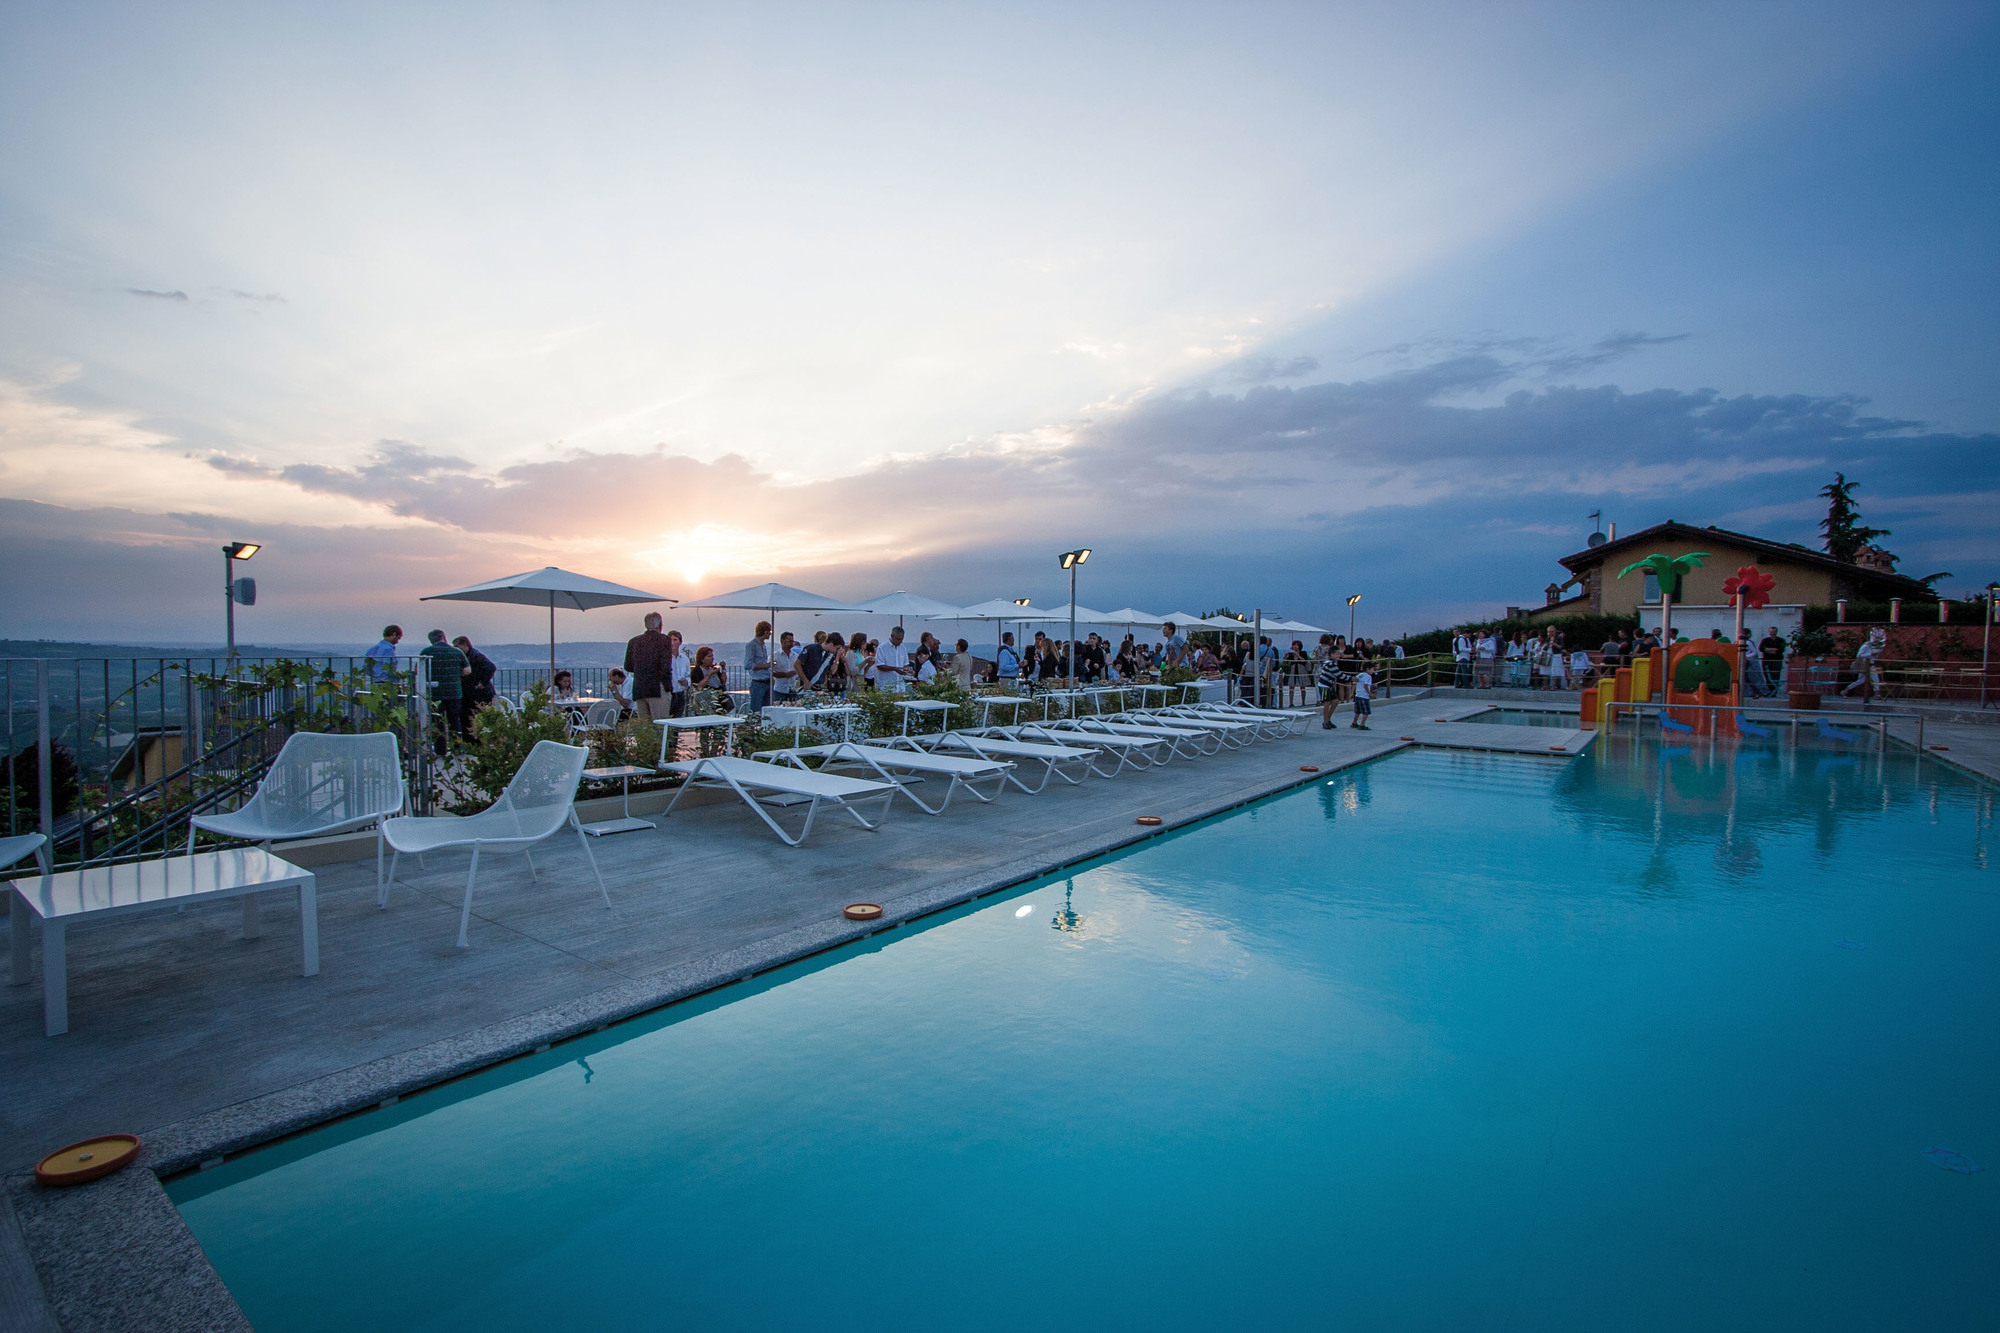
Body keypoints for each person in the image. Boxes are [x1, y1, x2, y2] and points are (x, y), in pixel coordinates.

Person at [419, 629, 468, 757]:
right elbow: (467, 670)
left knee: (437, 722)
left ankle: (441, 750)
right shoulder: (457, 652)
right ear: (444, 637)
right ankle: (457, 748)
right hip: (454, 692)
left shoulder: (426, 652)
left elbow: (418, 671)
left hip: (435, 693)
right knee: (454, 721)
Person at [624, 612, 675, 725]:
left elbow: (628, 666)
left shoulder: (634, 641)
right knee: (660, 725)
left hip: (640, 688)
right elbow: (665, 666)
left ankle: (646, 744)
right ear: (660, 625)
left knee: (645, 727)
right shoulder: (664, 640)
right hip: (657, 687)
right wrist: (667, 686)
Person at [452, 635, 497, 712]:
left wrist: (483, 683)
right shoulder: (470, 655)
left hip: (480, 693)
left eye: (457, 646)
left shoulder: (475, 656)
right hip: (474, 692)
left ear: (464, 645)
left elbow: (491, 667)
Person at [1843, 627, 1886, 698]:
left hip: (1871, 665)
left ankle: (1877, 694)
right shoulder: (1866, 646)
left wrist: (1875, 655)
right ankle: (1846, 690)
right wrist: (1870, 654)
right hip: (1864, 665)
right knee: (1861, 680)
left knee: (1875, 679)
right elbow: (1859, 655)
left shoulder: (1876, 647)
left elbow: (1874, 657)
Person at [745, 621, 774, 711]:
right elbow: (747, 664)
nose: (770, 634)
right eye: (770, 631)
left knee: (767, 711)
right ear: (765, 632)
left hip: (767, 682)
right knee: (756, 711)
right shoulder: (751, 645)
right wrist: (766, 665)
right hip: (758, 683)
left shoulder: (763, 645)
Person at [874, 625, 913, 692]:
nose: (900, 641)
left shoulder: (903, 648)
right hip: (886, 686)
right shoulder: (882, 647)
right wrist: (895, 669)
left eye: (902, 639)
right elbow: (879, 665)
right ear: (892, 636)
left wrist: (906, 670)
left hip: (900, 686)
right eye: (898, 639)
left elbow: (905, 664)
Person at [770, 631, 802, 704]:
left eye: (792, 641)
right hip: (780, 690)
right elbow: (770, 672)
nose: (792, 643)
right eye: (790, 641)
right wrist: (785, 675)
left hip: (793, 690)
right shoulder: (775, 656)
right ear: (783, 641)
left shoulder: (795, 656)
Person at [1759, 626, 1788, 696]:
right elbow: (1761, 648)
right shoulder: (1765, 640)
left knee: (1776, 676)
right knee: (1767, 677)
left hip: (1777, 661)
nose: (1772, 633)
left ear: (1776, 632)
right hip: (1766, 661)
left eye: (1774, 632)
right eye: (1771, 632)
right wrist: (1772, 650)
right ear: (1769, 632)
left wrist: (1768, 649)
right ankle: (1769, 691)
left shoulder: (1781, 640)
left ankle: (1774, 693)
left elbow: (1781, 649)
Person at [1350, 663, 1374, 730]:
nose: (1373, 671)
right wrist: (1370, 694)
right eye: (1372, 669)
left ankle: (1354, 722)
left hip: (1357, 695)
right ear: (1368, 669)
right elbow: (1366, 686)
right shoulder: (1368, 677)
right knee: (1366, 712)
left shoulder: (1360, 675)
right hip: (1364, 696)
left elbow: (1354, 683)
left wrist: (1352, 693)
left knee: (1357, 711)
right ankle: (1362, 724)